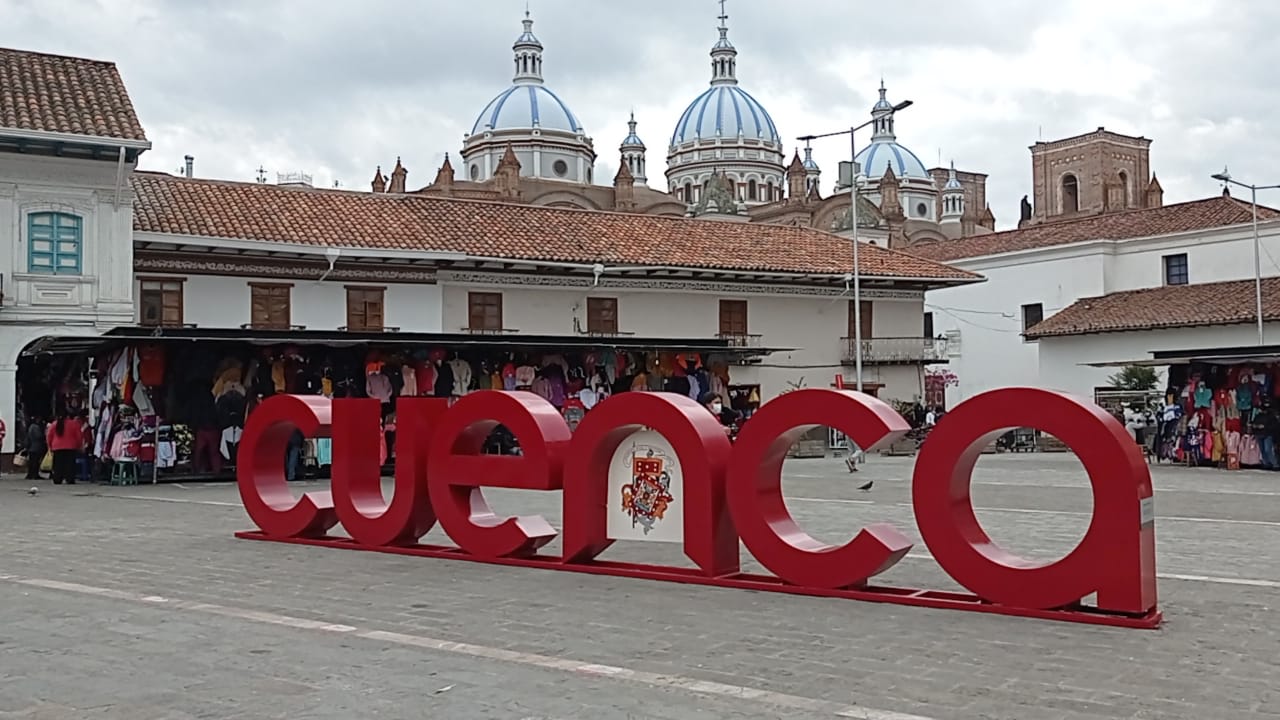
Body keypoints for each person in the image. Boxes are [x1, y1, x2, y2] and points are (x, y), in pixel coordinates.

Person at [46, 411, 85, 485]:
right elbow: (79, 436)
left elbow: (49, 436)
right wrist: (79, 445)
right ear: (68, 416)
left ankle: (57, 478)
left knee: (58, 464)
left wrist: (49, 446)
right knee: (69, 464)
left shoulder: (54, 424)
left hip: (57, 447)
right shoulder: (73, 424)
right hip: (70, 447)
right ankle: (69, 479)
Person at [24, 416, 46, 481]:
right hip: (36, 447)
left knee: (32, 461)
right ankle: (34, 474)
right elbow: (38, 436)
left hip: (31, 447)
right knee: (35, 462)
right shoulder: (35, 427)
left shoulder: (30, 427)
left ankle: (30, 474)